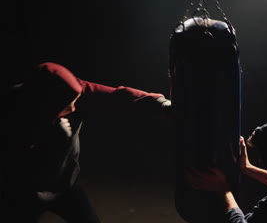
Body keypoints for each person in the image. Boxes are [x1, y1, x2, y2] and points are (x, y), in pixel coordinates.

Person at [0, 62, 172, 223]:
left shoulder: (70, 92)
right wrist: (57, 144)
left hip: (65, 185)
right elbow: (22, 168)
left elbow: (117, 96)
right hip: (22, 194)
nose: (74, 108)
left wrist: (161, 104)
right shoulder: (11, 114)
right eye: (68, 104)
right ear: (47, 105)